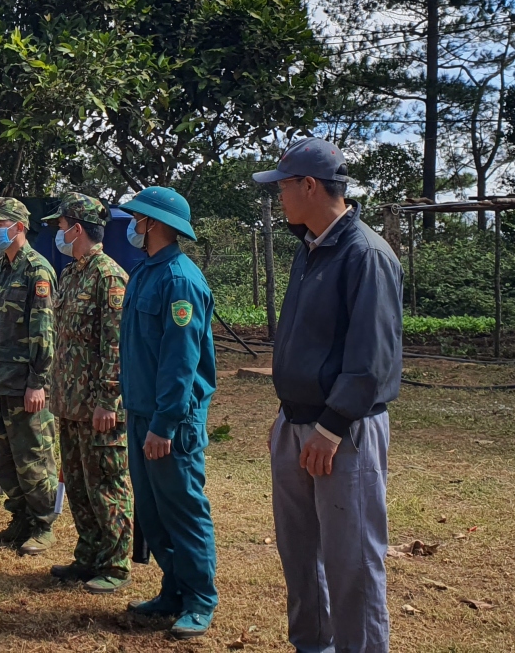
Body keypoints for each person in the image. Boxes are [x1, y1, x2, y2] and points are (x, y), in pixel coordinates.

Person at [253, 138, 403, 653]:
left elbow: (370, 361)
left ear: (310, 186)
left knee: (351, 560)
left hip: (341, 433)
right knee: (300, 553)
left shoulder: (365, 254)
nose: (279, 199)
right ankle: (311, 645)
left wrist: (330, 425)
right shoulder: (310, 249)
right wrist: (289, 417)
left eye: (282, 188)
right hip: (296, 423)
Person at [118, 186, 218, 640]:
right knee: (153, 511)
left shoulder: (179, 280)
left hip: (170, 422)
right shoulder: (146, 273)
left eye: (137, 218)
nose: (132, 225)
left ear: (154, 224)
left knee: (182, 510)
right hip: (142, 413)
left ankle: (199, 599)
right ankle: (172, 590)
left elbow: (181, 363)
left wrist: (164, 425)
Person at [43, 192, 132, 593]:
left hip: (98, 406)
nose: (58, 233)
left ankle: (114, 564)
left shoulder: (109, 277)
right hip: (70, 402)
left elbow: (114, 347)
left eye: (61, 226)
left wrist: (107, 400)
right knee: (77, 485)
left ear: (76, 228)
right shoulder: (71, 274)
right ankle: (88, 555)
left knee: (106, 485)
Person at [0, 197, 59, 556]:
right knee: (5, 458)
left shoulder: (37, 271)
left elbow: (45, 331)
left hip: (25, 383)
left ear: (18, 227)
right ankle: (19, 519)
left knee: (33, 455)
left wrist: (37, 381)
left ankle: (42, 524)